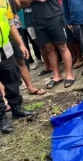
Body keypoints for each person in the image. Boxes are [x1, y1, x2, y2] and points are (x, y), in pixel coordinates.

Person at [20, 0, 75, 89]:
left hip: (54, 16)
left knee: (62, 46)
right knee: (48, 48)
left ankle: (69, 75)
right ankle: (57, 75)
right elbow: (21, 3)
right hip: (37, 20)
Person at [0, 0, 36, 134]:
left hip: (5, 46)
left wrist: (21, 44)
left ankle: (16, 109)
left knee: (12, 77)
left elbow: (10, 23)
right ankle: (2, 118)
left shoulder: (4, 1)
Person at [9, 0, 46, 95]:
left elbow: (18, 7)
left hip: (13, 27)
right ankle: (5, 98)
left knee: (21, 58)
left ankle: (29, 86)